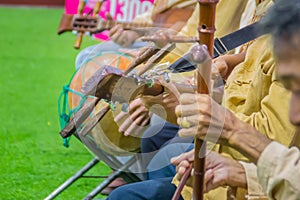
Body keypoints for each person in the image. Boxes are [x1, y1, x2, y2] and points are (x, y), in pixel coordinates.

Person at [174, 0, 300, 199]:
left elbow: (277, 138)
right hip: (226, 167)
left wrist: (227, 126)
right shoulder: (269, 9)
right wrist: (242, 174)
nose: (295, 116)